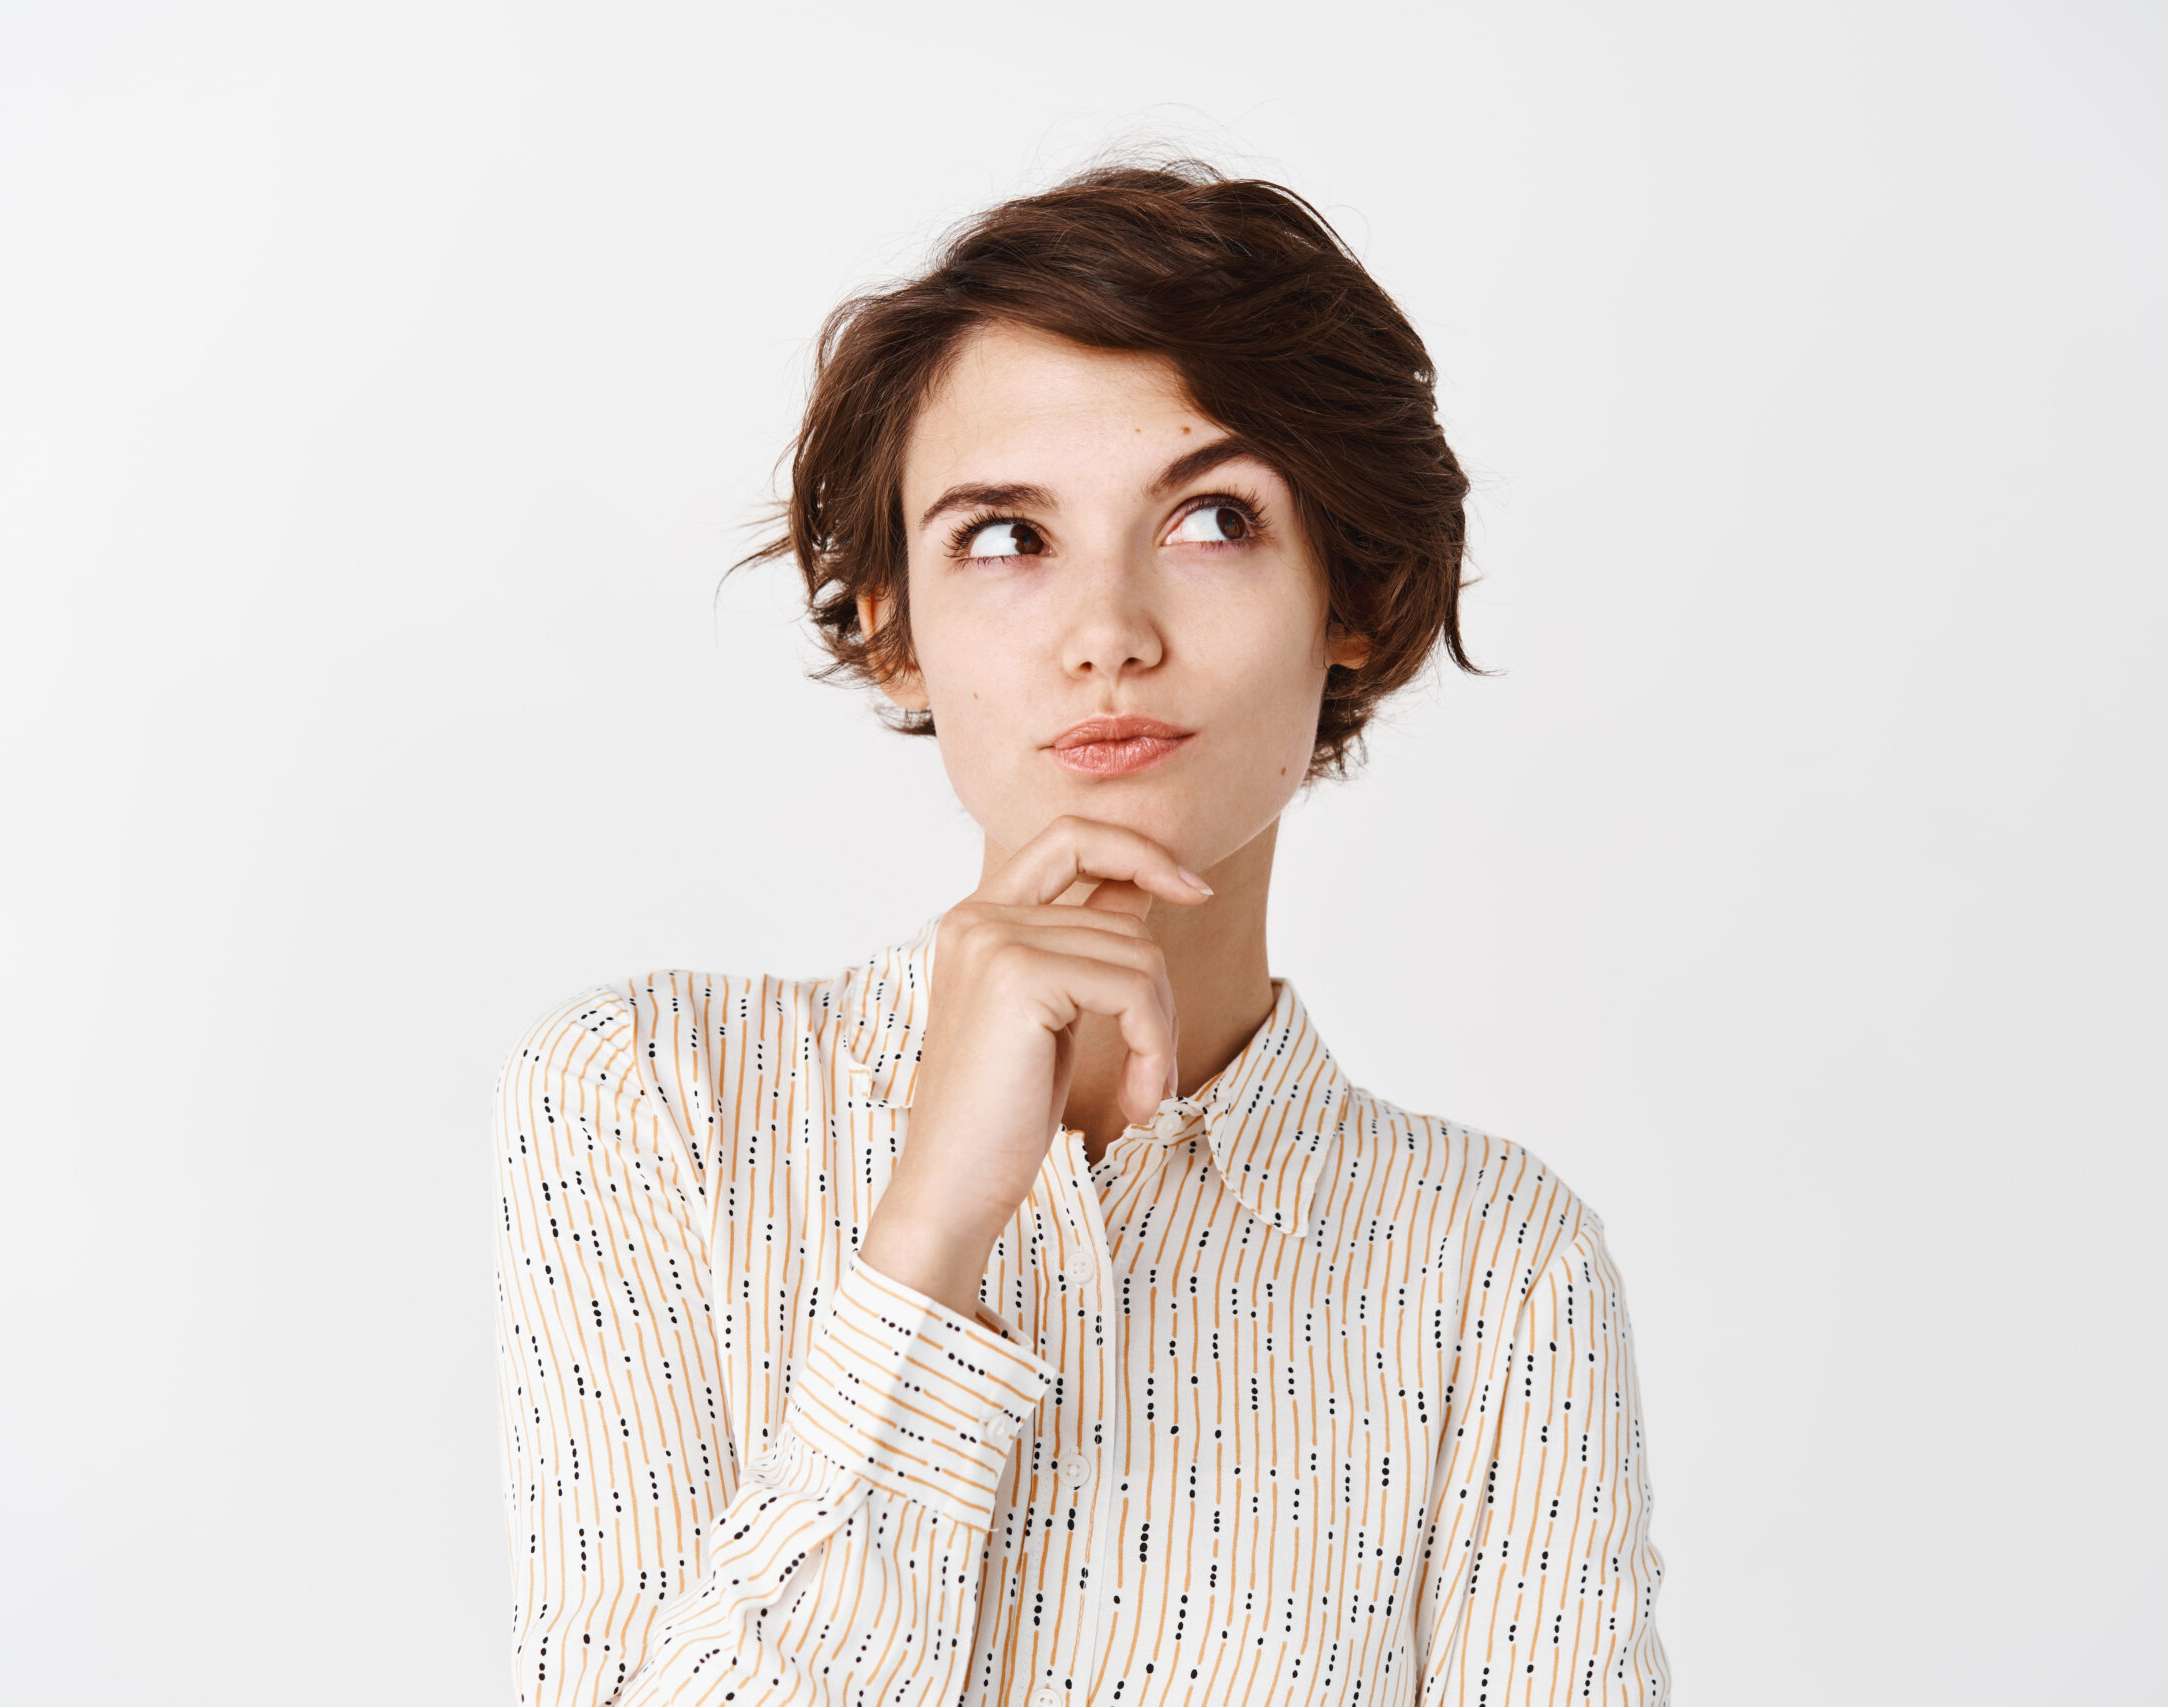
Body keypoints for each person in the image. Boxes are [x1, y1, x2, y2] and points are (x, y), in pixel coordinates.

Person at [492, 161, 1669, 1706]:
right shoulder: (653, 1099)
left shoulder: (1497, 1270)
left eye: (1211, 519)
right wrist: (926, 1243)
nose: (1107, 628)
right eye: (1002, 538)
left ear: (1358, 601)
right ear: (894, 632)